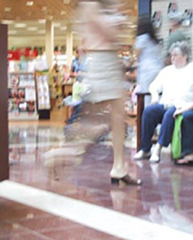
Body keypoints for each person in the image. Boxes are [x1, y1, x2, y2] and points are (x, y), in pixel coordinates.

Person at [79, 0, 141, 185]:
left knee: (116, 117)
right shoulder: (91, 5)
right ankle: (62, 155)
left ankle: (119, 166)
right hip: (102, 61)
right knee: (101, 118)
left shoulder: (98, 6)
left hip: (107, 60)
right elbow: (111, 34)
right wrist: (118, 17)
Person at [133, 41, 193, 163]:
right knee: (149, 111)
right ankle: (145, 148)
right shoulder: (167, 71)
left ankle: (158, 148)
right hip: (165, 104)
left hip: (184, 106)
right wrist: (154, 96)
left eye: (175, 54)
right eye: (171, 55)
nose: (172, 57)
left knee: (170, 113)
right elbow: (154, 86)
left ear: (185, 56)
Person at [134, 16, 163, 105]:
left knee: (146, 95)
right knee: (157, 93)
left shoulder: (142, 38)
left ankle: (146, 116)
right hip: (158, 68)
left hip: (146, 71)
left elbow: (137, 55)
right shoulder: (155, 40)